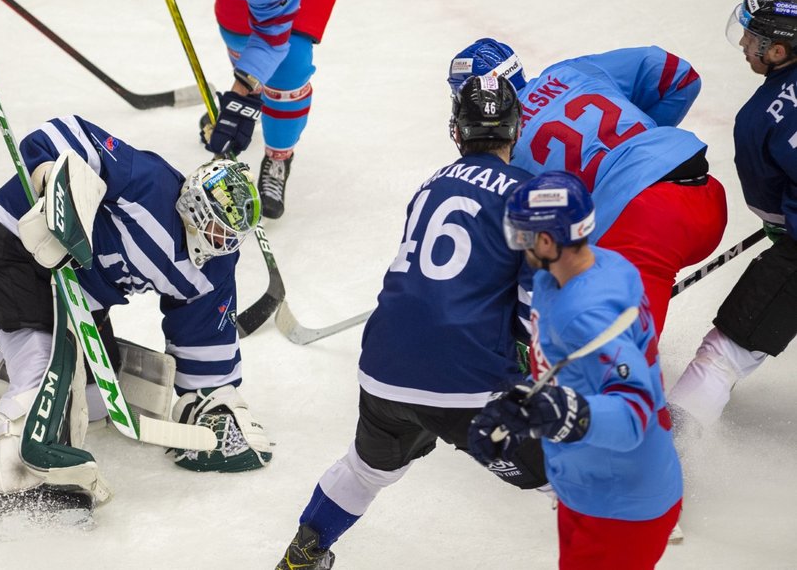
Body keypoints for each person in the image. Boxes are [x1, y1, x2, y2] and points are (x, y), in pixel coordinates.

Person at [275, 76, 549, 570]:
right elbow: (533, 300)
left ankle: (302, 557)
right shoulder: (527, 193)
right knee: (570, 475)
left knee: (364, 470)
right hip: (466, 384)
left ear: (457, 133)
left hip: (383, 366)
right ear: (517, 128)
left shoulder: (431, 184)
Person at [0, 114, 273, 516]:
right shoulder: (150, 184)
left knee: (96, 398)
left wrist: (210, 402)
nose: (215, 231)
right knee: (52, 372)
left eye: (227, 229)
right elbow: (73, 135)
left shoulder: (211, 270)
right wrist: (51, 178)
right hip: (9, 246)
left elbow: (204, 332)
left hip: (74, 291)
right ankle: (21, 473)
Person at [469, 170, 682, 570]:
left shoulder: (588, 314)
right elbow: (565, 374)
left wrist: (557, 412)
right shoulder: (576, 273)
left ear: (547, 241)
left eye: (522, 236)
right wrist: (521, 412)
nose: (518, 244)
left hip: (621, 504)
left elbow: (633, 411)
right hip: (586, 487)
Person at [111, 0, 355, 218]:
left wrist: (240, 95)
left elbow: (272, 37)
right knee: (237, 33)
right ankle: (253, 98)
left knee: (289, 63)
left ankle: (278, 156)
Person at [449, 39, 728, 338]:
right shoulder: (570, 72)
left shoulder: (503, 146)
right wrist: (644, 151)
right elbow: (678, 75)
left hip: (647, 226)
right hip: (708, 198)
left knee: (611, 358)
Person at [668, 0, 797, 429]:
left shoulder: (759, 116)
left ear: (778, 51)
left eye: (752, 38)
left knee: (725, 353)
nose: (743, 44)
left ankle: (668, 460)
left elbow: (768, 207)